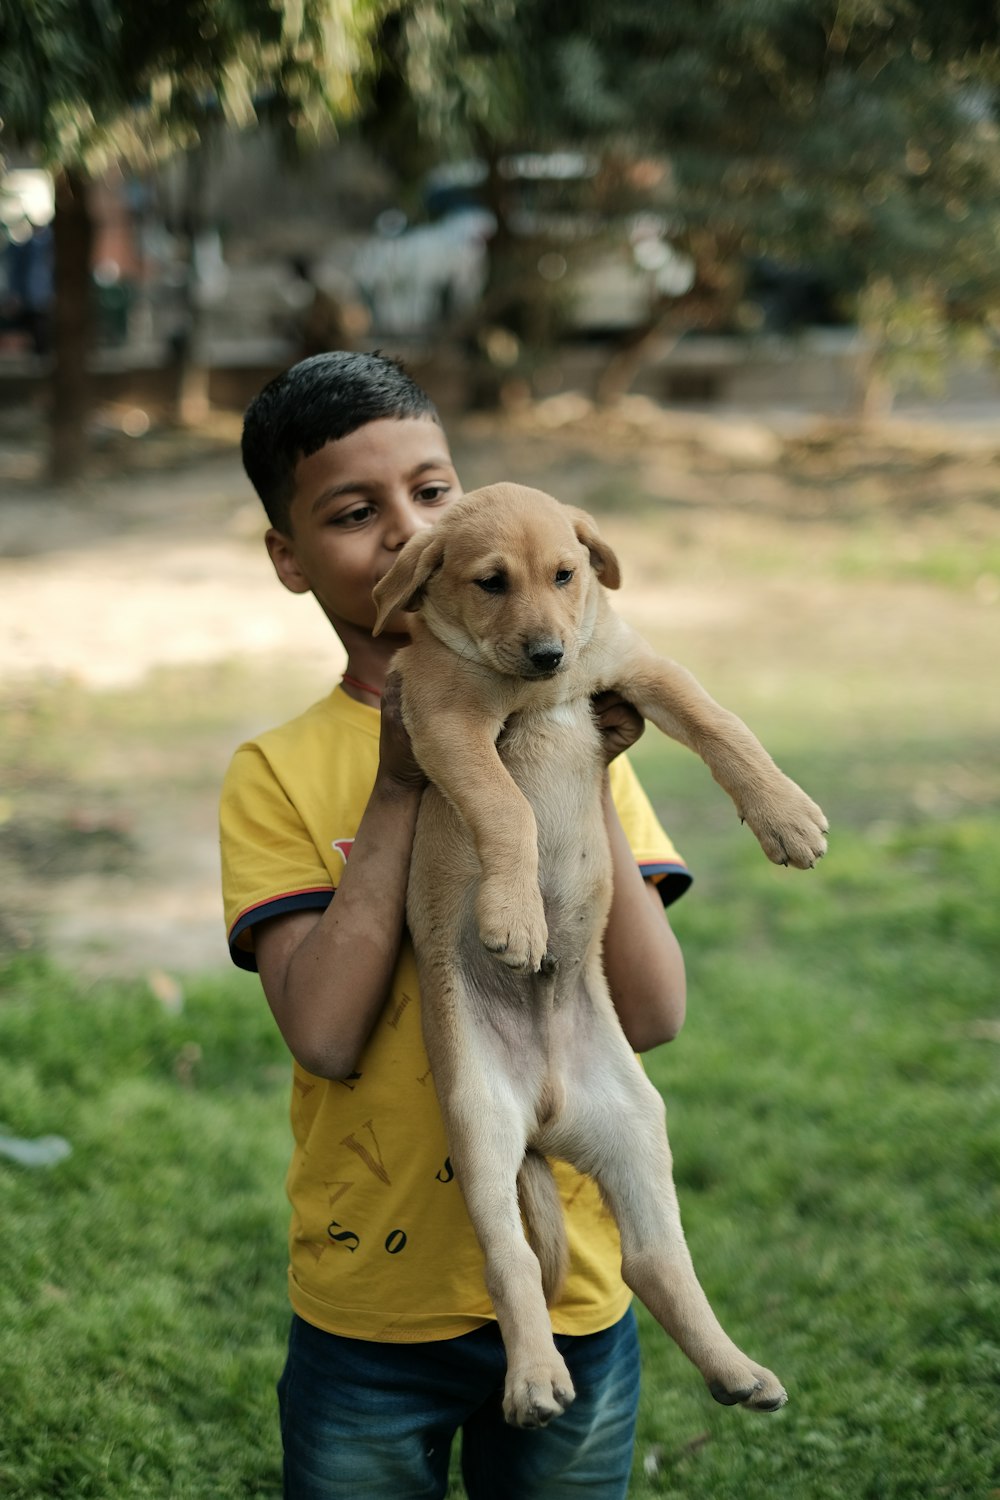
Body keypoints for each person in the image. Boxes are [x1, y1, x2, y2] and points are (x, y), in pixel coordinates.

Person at [221, 350, 693, 1499]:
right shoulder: (275, 772)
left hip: (573, 1285)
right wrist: (398, 786)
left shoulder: (571, 720)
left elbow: (650, 1011)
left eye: (431, 492)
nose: (402, 529)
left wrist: (583, 779)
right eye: (351, 510)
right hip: (371, 1309)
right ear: (289, 560)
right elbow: (325, 1037)